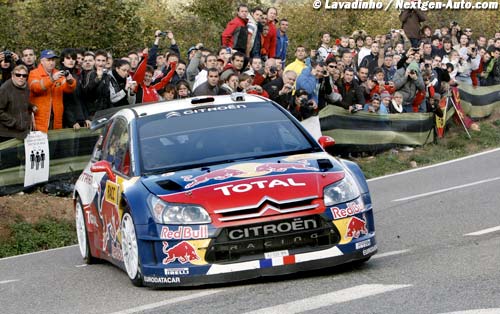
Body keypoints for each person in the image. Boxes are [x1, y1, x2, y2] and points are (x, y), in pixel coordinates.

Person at [28, 49, 77, 133]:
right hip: (39, 121)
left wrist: (70, 80)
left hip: (56, 119)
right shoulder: (34, 73)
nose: (51, 62)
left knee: (55, 145)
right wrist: (52, 79)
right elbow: (36, 88)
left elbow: (69, 89)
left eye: (53, 60)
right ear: (41, 61)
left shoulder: (58, 73)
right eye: (48, 60)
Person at [0, 65, 33, 141]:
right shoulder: (5, 89)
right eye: (18, 75)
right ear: (12, 75)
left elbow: (22, 101)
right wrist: (14, 122)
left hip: (22, 133)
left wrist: (31, 106)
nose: (21, 77)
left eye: (24, 75)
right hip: (7, 134)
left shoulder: (26, 87)